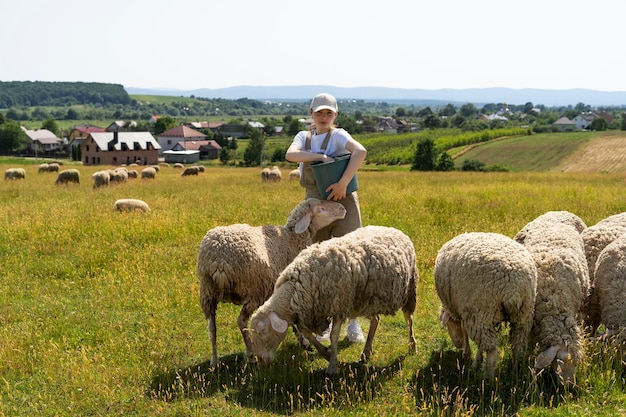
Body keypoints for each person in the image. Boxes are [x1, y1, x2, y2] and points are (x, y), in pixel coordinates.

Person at [286, 93, 367, 344]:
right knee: (319, 260)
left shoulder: (340, 136)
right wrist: (319, 157)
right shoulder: (304, 137)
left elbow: (360, 151)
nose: (323, 117)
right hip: (315, 205)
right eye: (319, 113)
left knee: (350, 257)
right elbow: (292, 155)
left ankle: (353, 321)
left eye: (328, 113)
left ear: (335, 116)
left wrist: (343, 183)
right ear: (311, 113)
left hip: (343, 200)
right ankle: (325, 322)